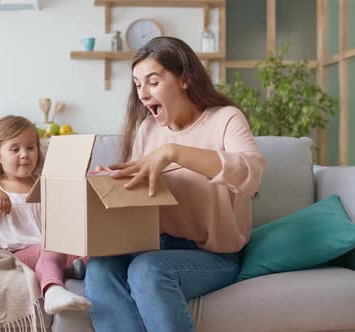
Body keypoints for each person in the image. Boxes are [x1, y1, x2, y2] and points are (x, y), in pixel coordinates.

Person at [85, 36, 267, 332]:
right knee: (100, 268)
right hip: (151, 245)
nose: (143, 94)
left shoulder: (225, 119)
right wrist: (111, 184)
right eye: (137, 84)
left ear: (184, 78)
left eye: (153, 82)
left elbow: (251, 172)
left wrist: (173, 152)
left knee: (148, 271)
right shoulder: (148, 128)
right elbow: (138, 197)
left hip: (213, 255)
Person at [0, 115, 91, 315]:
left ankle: (69, 268)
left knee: (91, 251)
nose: (25, 155)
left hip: (49, 249)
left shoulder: (43, 184)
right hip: (13, 254)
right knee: (48, 249)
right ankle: (53, 291)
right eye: (15, 149)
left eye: (31, 148)